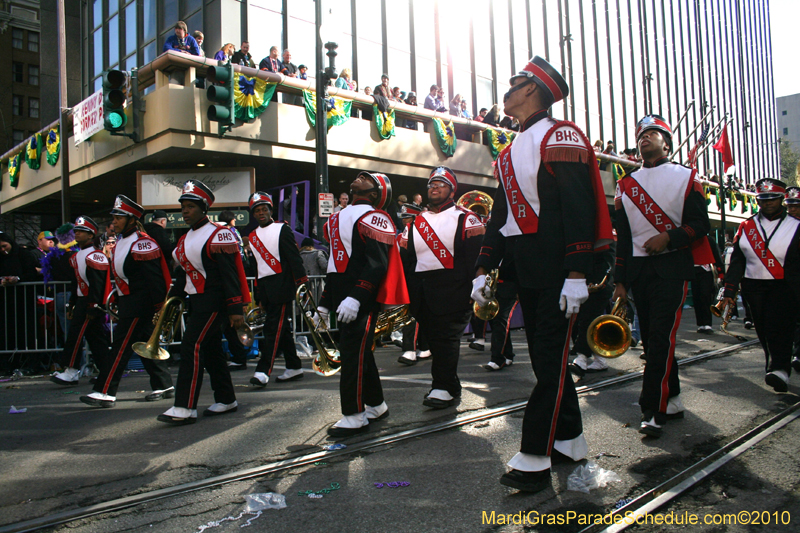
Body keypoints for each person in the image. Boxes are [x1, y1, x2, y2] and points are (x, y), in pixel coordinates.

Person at [473, 56, 613, 493]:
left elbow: (578, 205)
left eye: (515, 84)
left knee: (550, 362)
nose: (508, 90)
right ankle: (570, 439)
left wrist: (577, 270)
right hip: (528, 267)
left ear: (533, 89)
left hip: (557, 268)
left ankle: (534, 456)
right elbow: (502, 215)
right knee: (544, 360)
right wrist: (483, 267)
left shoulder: (561, 134)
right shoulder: (511, 147)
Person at [613, 114, 712, 438]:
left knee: (658, 338)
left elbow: (701, 225)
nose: (645, 138)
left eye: (653, 133)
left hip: (672, 269)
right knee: (659, 338)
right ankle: (673, 399)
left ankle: (653, 408)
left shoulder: (686, 177)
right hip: (639, 272)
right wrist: (620, 282)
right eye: (641, 134)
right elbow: (624, 240)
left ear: (666, 143)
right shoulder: (625, 184)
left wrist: (669, 237)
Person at [157, 180, 250, 425]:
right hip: (197, 301)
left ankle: (185, 406)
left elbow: (230, 275)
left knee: (191, 346)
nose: (185, 212)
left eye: (190, 207)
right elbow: (182, 275)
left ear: (203, 208)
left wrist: (235, 308)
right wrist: (171, 302)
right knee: (211, 351)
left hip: (214, 301)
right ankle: (226, 399)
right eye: (183, 207)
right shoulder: (184, 237)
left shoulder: (219, 234)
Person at [320, 171, 403, 437]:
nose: (358, 177)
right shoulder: (337, 216)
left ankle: (354, 414)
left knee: (352, 355)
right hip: (343, 299)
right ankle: (376, 405)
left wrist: (357, 297)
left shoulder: (375, 216)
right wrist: (324, 303)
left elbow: (377, 265)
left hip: (360, 300)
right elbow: (335, 264)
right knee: (360, 354)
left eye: (366, 178)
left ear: (376, 193)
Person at [79, 196, 174, 407]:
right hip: (129, 301)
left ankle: (105, 391)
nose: (114, 221)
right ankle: (164, 384)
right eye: (114, 217)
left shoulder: (143, 242)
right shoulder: (124, 241)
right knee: (145, 343)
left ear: (131, 219)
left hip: (140, 304)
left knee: (120, 347)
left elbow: (155, 279)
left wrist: (159, 308)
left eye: (119, 217)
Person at [402, 167, 484, 408]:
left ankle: (441, 387)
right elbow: (407, 260)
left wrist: (474, 291)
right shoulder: (417, 221)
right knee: (437, 342)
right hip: (423, 291)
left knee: (446, 339)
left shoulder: (466, 217)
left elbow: (475, 258)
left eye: (441, 184)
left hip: (455, 290)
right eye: (431, 184)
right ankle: (451, 386)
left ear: (452, 189)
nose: (434, 187)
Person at [723, 178, 800, 393]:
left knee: (781, 327)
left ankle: (780, 369)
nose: (768, 203)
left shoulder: (796, 226)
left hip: (785, 287)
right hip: (753, 286)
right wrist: (729, 289)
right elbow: (738, 260)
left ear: (781, 199)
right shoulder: (747, 226)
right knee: (764, 329)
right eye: (764, 199)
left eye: (773, 199)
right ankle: (772, 365)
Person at [247, 192, 309, 388]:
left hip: (283, 287)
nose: (261, 213)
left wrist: (301, 284)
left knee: (272, 329)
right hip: (266, 289)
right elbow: (258, 268)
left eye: (264, 209)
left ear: (270, 210)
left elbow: (294, 258)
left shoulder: (283, 228)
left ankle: (263, 370)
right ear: (254, 214)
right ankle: (294, 366)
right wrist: (259, 297)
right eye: (257, 210)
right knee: (281, 329)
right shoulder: (252, 236)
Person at [50, 217, 111, 385]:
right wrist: (72, 304)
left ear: (91, 235)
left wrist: (93, 306)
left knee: (75, 336)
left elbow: (97, 285)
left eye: (81, 231)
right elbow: (76, 283)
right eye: (76, 231)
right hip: (83, 301)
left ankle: (70, 371)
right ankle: (107, 372)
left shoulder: (96, 255)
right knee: (96, 339)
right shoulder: (77, 256)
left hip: (90, 302)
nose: (77, 233)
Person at [396, 203, 431, 366]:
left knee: (413, 313)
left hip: (415, 276)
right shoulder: (419, 228)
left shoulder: (412, 230)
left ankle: (410, 348)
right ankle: (424, 347)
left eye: (407, 218)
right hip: (421, 275)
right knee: (421, 311)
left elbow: (405, 256)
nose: (404, 221)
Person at [217, 210, 250, 371]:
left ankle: (238, 357)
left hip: (228, 284)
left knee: (229, 326)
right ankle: (238, 356)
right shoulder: (232, 232)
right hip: (234, 279)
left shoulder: (221, 233)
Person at [785, 187, 800, 372]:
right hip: (787, 281)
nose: (792, 210)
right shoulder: (782, 226)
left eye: (796, 206)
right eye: (789, 206)